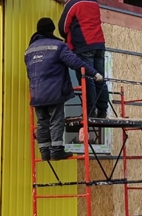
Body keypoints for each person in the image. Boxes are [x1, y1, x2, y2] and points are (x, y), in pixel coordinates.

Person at [25, 17, 103, 161]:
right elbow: (75, 62)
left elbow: (30, 73)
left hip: (36, 93)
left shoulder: (29, 50)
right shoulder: (58, 46)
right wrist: (94, 73)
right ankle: (57, 150)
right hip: (54, 91)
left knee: (42, 122)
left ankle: (45, 151)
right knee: (56, 120)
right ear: (52, 29)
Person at [56, 0, 110, 118]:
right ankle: (102, 110)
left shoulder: (73, 3)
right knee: (100, 77)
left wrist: (66, 36)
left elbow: (63, 26)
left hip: (83, 45)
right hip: (99, 44)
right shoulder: (94, 2)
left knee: (87, 78)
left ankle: (89, 112)